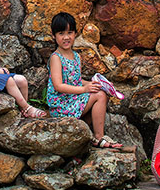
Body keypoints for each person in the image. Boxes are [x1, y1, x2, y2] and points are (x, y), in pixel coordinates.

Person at [46, 12, 122, 148]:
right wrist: (84, 89)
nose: (66, 37)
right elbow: (58, 85)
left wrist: (94, 84)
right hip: (61, 104)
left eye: (70, 33)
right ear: (54, 35)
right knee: (99, 96)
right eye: (61, 33)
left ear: (75, 33)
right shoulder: (56, 58)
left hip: (72, 99)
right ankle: (99, 137)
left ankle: (88, 135)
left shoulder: (76, 56)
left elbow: (75, 80)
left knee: (100, 91)